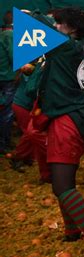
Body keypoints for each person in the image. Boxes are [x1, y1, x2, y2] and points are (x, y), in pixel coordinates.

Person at [27, 7, 84, 257]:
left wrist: (32, 14)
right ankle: (71, 230)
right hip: (73, 118)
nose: (53, 26)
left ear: (70, 28)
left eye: (57, 23)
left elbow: (34, 23)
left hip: (68, 121)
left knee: (63, 185)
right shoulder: (74, 48)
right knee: (62, 182)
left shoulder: (66, 46)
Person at [0, 11, 15, 154]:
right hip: (6, 79)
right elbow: (15, 57)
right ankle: (3, 143)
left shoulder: (2, 33)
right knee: (7, 112)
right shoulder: (10, 36)